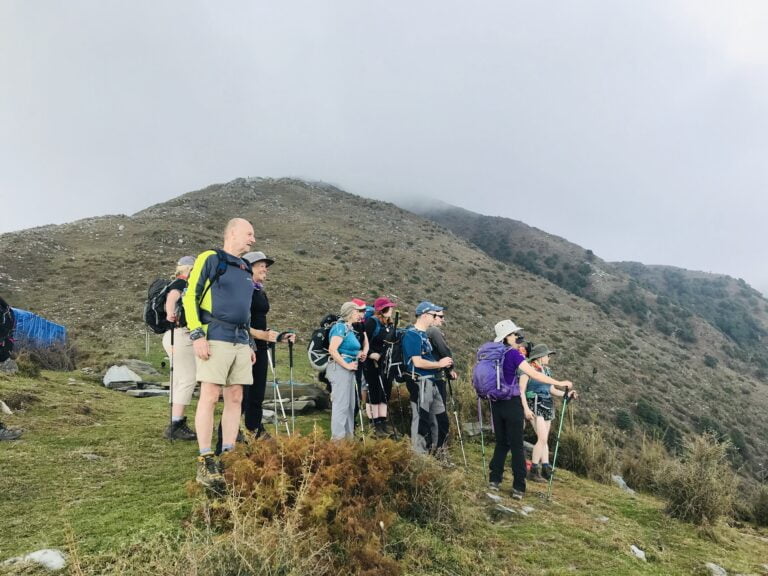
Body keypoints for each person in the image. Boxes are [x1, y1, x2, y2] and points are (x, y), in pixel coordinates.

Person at [182, 218, 256, 488]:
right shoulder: (212, 258)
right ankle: (205, 457)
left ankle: (229, 451)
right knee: (211, 395)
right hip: (215, 336)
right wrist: (197, 333)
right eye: (249, 234)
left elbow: (245, 309)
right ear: (233, 232)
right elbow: (190, 296)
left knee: (236, 396)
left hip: (239, 339)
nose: (253, 239)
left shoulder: (245, 267)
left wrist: (250, 342)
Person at [488, 319, 573, 499]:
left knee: (502, 443)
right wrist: (560, 382)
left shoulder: (493, 353)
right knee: (517, 445)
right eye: (514, 334)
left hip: (495, 402)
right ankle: (519, 487)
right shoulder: (513, 355)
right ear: (507, 337)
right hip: (512, 402)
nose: (517, 337)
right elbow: (534, 374)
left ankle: (494, 480)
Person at [402, 301, 453, 456]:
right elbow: (417, 362)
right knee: (421, 420)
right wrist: (439, 363)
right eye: (433, 315)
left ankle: (437, 453)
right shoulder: (412, 335)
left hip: (431, 381)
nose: (435, 318)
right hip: (420, 382)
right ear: (424, 315)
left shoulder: (423, 335)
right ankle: (419, 456)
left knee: (441, 419)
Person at [520, 343, 575, 482]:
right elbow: (521, 391)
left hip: (547, 404)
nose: (549, 358)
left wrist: (565, 395)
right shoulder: (527, 370)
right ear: (540, 357)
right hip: (535, 404)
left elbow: (551, 390)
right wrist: (526, 408)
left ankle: (545, 468)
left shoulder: (547, 371)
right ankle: (533, 470)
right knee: (542, 439)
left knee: (544, 439)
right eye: (547, 355)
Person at [161, 256, 197, 441]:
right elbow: (172, 297)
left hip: (174, 336)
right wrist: (170, 312)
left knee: (180, 378)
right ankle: (176, 425)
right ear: (188, 269)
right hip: (181, 335)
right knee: (188, 378)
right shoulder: (181, 283)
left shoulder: (176, 283)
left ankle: (177, 421)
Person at [328, 301, 368, 440]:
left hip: (350, 369)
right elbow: (332, 350)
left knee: (350, 405)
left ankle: (348, 440)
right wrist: (347, 365)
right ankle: (338, 443)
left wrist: (358, 354)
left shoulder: (349, 329)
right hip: (340, 370)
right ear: (351, 312)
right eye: (357, 311)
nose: (360, 314)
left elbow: (345, 349)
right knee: (341, 405)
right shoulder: (339, 327)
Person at [427, 308, 458, 465]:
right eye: (440, 316)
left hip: (427, 378)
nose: (442, 319)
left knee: (432, 416)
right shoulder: (433, 331)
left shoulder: (423, 332)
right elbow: (444, 350)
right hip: (436, 378)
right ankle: (439, 451)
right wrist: (450, 368)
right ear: (431, 316)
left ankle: (434, 450)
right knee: (440, 418)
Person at [363, 297, 397, 438]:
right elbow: (363, 341)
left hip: (385, 364)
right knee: (374, 392)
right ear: (381, 310)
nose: (391, 310)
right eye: (389, 308)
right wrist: (371, 354)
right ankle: (374, 423)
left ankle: (382, 422)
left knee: (385, 393)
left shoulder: (389, 324)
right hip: (372, 364)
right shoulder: (372, 322)